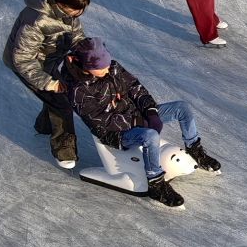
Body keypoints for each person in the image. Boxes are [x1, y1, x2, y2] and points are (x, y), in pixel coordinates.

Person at [64, 37, 219, 209]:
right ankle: (155, 183)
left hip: (136, 115)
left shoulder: (112, 67)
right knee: (150, 136)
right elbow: (101, 121)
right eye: (101, 68)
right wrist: (139, 121)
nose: (107, 69)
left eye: (107, 64)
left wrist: (150, 111)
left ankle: (194, 148)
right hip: (115, 133)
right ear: (86, 66)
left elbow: (135, 88)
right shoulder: (78, 90)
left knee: (182, 108)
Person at [4, 0, 89, 169]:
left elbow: (76, 35)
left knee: (56, 96)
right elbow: (22, 60)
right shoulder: (36, 21)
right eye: (76, 10)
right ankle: (64, 150)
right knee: (61, 102)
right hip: (29, 66)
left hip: (49, 61)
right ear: (61, 3)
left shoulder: (67, 13)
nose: (79, 14)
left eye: (81, 10)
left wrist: (88, 52)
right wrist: (49, 83)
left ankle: (44, 126)